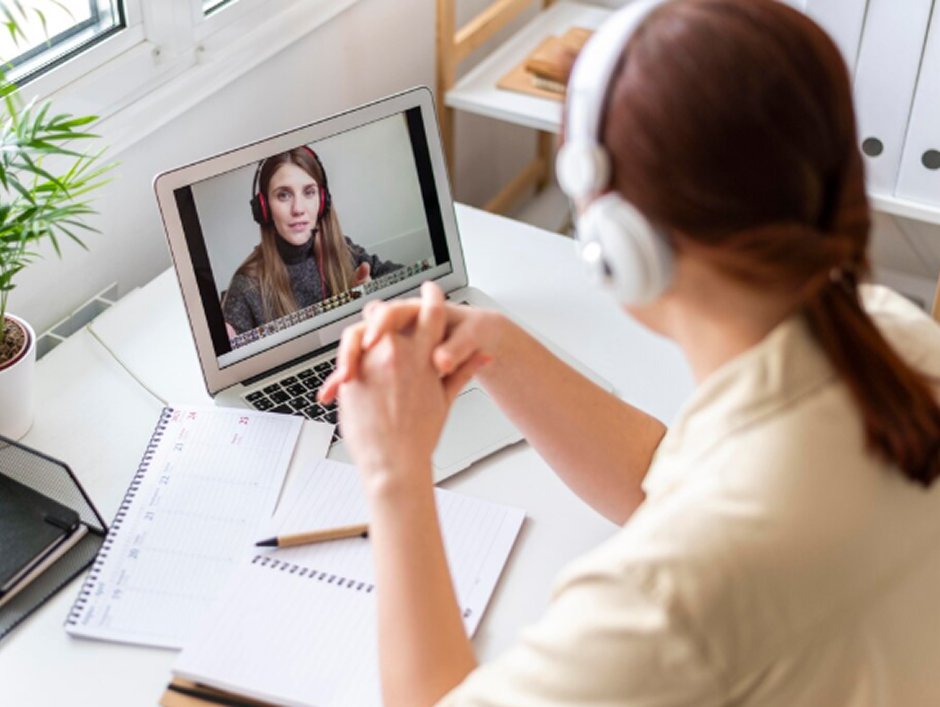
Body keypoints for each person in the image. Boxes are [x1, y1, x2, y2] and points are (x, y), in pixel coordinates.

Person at [319, 0, 940, 704]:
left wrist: (396, 475)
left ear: (621, 241)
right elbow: (665, 481)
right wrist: (499, 348)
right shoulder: (892, 336)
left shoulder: (675, 595)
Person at [221, 146, 401, 335]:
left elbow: (414, 282)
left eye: (309, 192)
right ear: (264, 208)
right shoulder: (246, 288)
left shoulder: (344, 250)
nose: (298, 209)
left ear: (322, 201)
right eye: (283, 195)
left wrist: (374, 295)